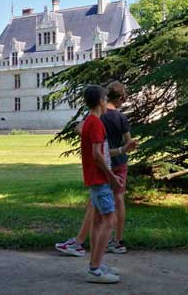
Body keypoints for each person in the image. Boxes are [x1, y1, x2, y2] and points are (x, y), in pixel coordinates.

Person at [56, 82, 138, 257]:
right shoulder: (119, 118)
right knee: (118, 200)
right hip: (118, 161)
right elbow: (128, 142)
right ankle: (117, 241)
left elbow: (81, 131)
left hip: (104, 164)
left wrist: (90, 137)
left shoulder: (96, 117)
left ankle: (81, 243)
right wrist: (123, 148)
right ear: (120, 99)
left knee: (95, 204)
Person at [79, 85, 120, 283]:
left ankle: (95, 263)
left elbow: (98, 153)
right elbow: (97, 155)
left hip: (94, 178)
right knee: (109, 220)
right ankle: (95, 269)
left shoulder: (89, 121)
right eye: (106, 98)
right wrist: (111, 176)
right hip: (99, 179)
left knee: (97, 222)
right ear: (102, 101)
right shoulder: (96, 123)